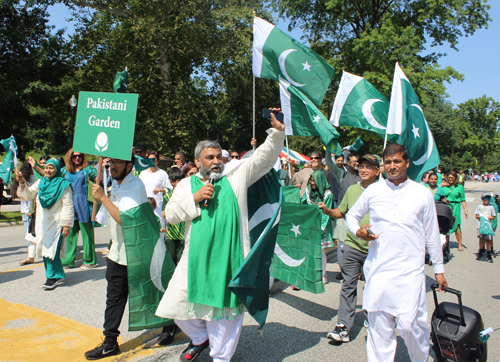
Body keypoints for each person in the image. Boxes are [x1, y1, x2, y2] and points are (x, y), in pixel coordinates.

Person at [155, 112, 285, 362]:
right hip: (196, 259)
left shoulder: (236, 176)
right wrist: (194, 198)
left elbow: (263, 158)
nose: (216, 161)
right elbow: (170, 214)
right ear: (197, 160)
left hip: (230, 259)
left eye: (219, 157)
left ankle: (220, 357)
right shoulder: (185, 185)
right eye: (210, 157)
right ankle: (201, 338)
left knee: (224, 314)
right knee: (177, 308)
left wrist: (277, 133)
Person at [345, 144, 447, 362]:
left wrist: (438, 269)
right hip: (379, 270)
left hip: (410, 272)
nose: (392, 166)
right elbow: (351, 216)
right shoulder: (373, 190)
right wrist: (358, 231)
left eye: (397, 161)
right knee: (379, 329)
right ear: (383, 165)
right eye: (388, 162)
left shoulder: (422, 194)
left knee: (411, 326)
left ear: (407, 163)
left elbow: (432, 234)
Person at [84, 154, 177, 360]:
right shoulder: (117, 184)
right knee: (114, 299)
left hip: (141, 252)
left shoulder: (134, 186)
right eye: (110, 163)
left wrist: (103, 198)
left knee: (154, 291)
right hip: (118, 253)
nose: (113, 167)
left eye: (118, 163)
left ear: (130, 165)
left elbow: (123, 219)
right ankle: (110, 343)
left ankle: (169, 325)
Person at [319, 154, 380, 343]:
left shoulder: (384, 191)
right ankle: (343, 326)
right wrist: (327, 211)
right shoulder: (353, 189)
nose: (363, 169)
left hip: (376, 248)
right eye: (361, 166)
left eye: (369, 167)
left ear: (378, 171)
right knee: (348, 285)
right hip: (353, 245)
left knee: (375, 287)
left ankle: (375, 321)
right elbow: (341, 212)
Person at [16, 159, 74, 289]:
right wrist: (22, 182)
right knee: (44, 248)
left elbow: (68, 205)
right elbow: (28, 195)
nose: (48, 170)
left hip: (56, 222)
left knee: (50, 248)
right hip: (42, 222)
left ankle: (51, 277)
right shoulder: (41, 182)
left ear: (57, 169)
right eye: (46, 167)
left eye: (51, 168)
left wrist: (66, 224)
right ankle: (57, 274)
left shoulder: (63, 185)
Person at [61, 149, 98, 269]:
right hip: (69, 206)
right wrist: (36, 167)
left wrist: (101, 167)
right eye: (74, 156)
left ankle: (90, 260)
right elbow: (50, 177)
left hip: (83, 205)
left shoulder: (88, 169)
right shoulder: (64, 170)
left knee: (87, 234)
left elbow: (98, 178)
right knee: (70, 233)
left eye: (80, 156)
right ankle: (68, 261)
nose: (77, 158)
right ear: (70, 157)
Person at [301, 170, 333, 284]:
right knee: (308, 250)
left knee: (321, 251)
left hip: (321, 227)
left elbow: (327, 212)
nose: (312, 183)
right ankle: (310, 273)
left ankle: (323, 274)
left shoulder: (327, 194)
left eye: (314, 181)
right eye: (311, 180)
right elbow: (303, 205)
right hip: (309, 225)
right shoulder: (308, 191)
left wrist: (321, 228)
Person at [139, 151, 171, 235]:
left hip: (158, 207)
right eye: (149, 159)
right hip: (145, 205)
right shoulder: (142, 174)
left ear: (157, 161)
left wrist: (161, 190)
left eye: (153, 159)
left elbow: (170, 189)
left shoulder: (162, 173)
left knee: (159, 230)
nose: (151, 161)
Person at [435, 171, 468, 251]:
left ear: (455, 178)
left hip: (455, 206)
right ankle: (443, 242)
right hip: (445, 206)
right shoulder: (444, 186)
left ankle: (459, 243)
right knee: (443, 225)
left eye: (452, 178)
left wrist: (465, 210)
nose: (450, 179)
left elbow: (462, 199)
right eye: (449, 177)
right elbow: (435, 188)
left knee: (456, 225)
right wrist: (442, 185)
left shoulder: (459, 187)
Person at [162, 167, 186, 265]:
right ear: (172, 182)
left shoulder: (186, 195)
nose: (181, 183)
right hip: (171, 232)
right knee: (171, 257)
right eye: (178, 181)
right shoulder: (167, 196)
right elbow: (164, 213)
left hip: (183, 232)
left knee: (181, 258)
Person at [475, 193, 496, 263]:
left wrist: (488, 218)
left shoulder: (491, 207)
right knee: (481, 239)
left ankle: (488, 253)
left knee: (488, 240)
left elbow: (493, 216)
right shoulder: (479, 206)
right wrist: (482, 217)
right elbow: (476, 216)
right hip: (480, 225)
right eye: (485, 199)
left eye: (488, 199)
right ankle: (480, 252)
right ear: (482, 199)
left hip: (488, 226)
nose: (487, 200)